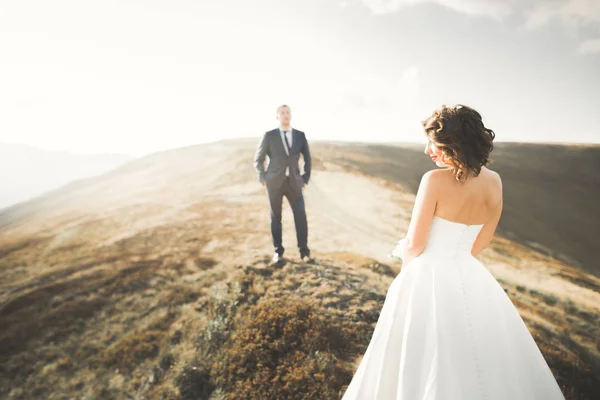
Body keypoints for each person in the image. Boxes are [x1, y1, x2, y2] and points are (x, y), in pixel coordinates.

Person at [342, 105, 565, 399]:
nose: (427, 150)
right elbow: (480, 243)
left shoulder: (433, 181)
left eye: (433, 142)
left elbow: (415, 244)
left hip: (426, 278)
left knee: (419, 360)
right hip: (473, 277)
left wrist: (404, 263)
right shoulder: (495, 181)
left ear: (453, 143)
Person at [254, 104, 313, 264]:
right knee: (275, 217)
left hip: (294, 183)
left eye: (287, 113)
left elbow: (308, 159)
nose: (285, 115)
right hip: (274, 183)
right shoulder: (269, 135)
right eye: (282, 113)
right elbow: (258, 159)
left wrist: (304, 179)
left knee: (300, 216)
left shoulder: (300, 136)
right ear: (277, 116)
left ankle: (304, 252)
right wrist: (263, 178)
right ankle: (278, 253)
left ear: (291, 115)